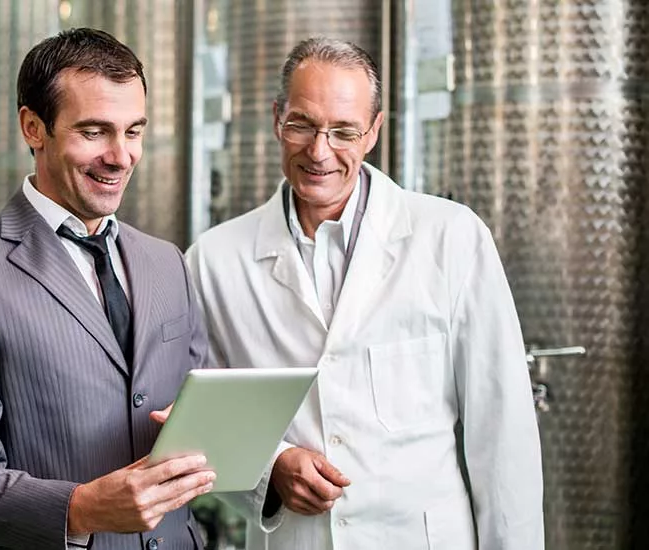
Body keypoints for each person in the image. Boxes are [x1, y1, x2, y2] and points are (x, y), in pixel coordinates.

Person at [185, 37, 544, 549]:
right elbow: (197, 415)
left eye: (344, 131)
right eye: (302, 125)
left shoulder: (451, 238)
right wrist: (271, 468)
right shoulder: (214, 261)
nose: (319, 151)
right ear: (275, 119)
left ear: (374, 131)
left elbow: (502, 430)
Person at [0, 28, 213, 550]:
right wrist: (85, 508)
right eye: (95, 132)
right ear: (34, 127)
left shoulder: (166, 262)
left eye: (134, 131)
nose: (121, 157)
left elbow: (202, 406)